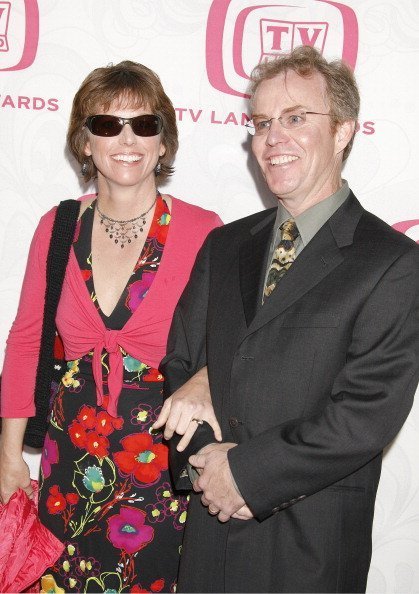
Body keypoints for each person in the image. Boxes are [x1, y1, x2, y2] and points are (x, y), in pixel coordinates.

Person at [158, 46, 419, 593]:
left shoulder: (392, 262)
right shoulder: (225, 245)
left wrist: (247, 476)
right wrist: (208, 468)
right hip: (210, 540)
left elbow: (365, 416)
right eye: (262, 122)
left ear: (344, 131)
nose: (273, 137)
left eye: (296, 118)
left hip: (309, 547)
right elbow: (181, 362)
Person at [0, 60, 222, 593]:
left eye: (144, 124)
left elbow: (231, 348)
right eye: (107, 124)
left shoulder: (203, 229)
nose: (127, 139)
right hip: (66, 464)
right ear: (85, 142)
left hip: (162, 465)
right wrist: (9, 458)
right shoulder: (58, 227)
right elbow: (27, 342)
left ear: (163, 142)